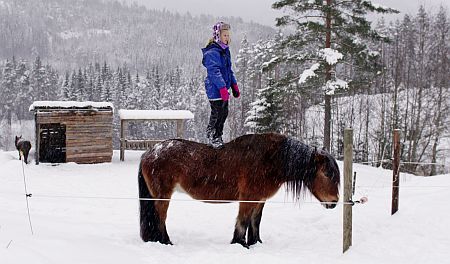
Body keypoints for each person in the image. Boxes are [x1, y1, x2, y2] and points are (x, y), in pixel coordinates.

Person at [201, 22, 240, 149]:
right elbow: (214, 72)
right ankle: (212, 135)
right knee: (217, 113)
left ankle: (218, 135)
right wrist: (222, 88)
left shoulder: (225, 51)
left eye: (228, 35)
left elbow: (229, 70)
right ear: (218, 35)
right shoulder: (212, 52)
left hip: (223, 89)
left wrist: (234, 85)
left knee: (224, 113)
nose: (227, 38)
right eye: (224, 35)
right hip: (214, 89)